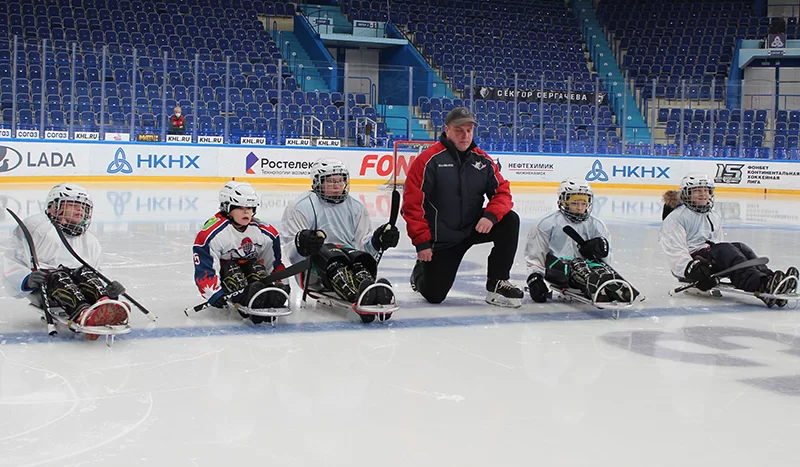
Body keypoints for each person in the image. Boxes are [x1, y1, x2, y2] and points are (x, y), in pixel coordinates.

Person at [402, 106, 524, 307]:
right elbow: (413, 205)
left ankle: (497, 282)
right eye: (459, 130)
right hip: (442, 238)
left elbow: (502, 191)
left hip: (472, 228)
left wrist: (491, 216)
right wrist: (422, 243)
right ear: (447, 129)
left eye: (469, 130)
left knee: (510, 220)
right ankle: (420, 272)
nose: (465, 135)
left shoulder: (482, 160)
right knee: (435, 296)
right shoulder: (428, 161)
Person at [2, 183, 128, 340]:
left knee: (85, 272)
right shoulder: (36, 228)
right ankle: (83, 314)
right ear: (54, 208)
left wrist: (109, 290)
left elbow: (95, 270)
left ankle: (104, 304)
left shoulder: (90, 241)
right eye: (74, 205)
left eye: (84, 208)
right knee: (57, 276)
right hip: (44, 288)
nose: (80, 210)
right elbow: (13, 260)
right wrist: (27, 279)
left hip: (76, 287)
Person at [660, 173, 798, 307]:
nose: (703, 194)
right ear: (686, 194)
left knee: (740, 247)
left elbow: (718, 242)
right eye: (696, 191)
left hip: (711, 256)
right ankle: (760, 284)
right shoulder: (676, 217)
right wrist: (692, 269)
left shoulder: (712, 214)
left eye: (706, 190)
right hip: (695, 263)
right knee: (723, 250)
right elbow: (674, 249)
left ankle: (770, 279)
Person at [281, 158, 399, 308]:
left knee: (359, 261)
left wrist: (378, 241)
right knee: (332, 257)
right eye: (330, 181)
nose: (337, 186)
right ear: (318, 182)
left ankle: (367, 287)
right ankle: (358, 295)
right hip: (313, 272)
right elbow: (292, 252)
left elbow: (363, 248)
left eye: (341, 181)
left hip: (348, 261)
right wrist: (302, 243)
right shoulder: (300, 206)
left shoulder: (356, 207)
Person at [525, 178, 636, 304]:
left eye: (583, 204)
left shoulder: (597, 225)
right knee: (578, 264)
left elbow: (606, 258)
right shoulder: (546, 223)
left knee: (594, 266)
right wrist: (535, 278)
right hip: (558, 268)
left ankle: (609, 284)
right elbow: (535, 255)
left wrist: (599, 253)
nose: (579, 208)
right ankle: (596, 286)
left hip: (587, 265)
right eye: (575, 203)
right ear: (564, 202)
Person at [193, 181, 290, 323]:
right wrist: (214, 294)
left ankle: (266, 292)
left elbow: (273, 265)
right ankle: (246, 298)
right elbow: (206, 269)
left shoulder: (267, 234)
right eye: (240, 207)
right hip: (226, 275)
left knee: (256, 268)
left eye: (250, 207)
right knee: (232, 269)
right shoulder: (211, 235)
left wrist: (281, 285)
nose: (246, 212)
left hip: (250, 271)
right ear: (227, 207)